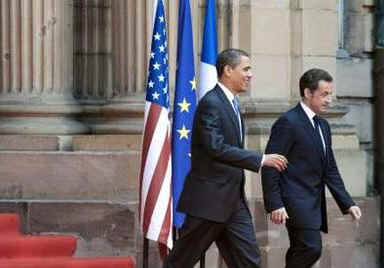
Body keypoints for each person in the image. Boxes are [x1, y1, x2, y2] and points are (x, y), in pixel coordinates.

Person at [163, 48, 288, 268]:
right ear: (228, 70)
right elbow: (215, 147)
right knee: (180, 262)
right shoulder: (212, 103)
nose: (250, 74)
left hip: (233, 202)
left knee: (249, 263)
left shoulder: (231, 103)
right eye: (246, 69)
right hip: (209, 201)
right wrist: (260, 159)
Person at [261, 68, 362, 268]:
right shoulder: (288, 122)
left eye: (330, 94)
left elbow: (330, 169)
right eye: (324, 94)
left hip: (313, 202)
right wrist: (274, 204)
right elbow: (270, 165)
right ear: (308, 93)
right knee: (311, 248)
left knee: (302, 249)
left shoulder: (323, 125)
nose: (329, 99)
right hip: (294, 201)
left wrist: (347, 202)